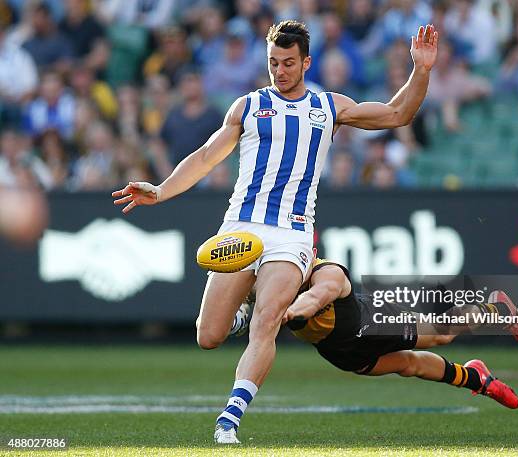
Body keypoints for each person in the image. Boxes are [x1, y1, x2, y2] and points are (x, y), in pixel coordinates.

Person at [112, 20, 438, 444]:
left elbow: (398, 113)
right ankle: (239, 312)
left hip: (292, 235)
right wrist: (161, 189)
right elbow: (208, 156)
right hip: (241, 229)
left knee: (267, 322)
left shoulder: (327, 105)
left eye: (288, 63)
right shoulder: (246, 107)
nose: (279, 71)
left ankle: (229, 419)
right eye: (272, 63)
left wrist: (422, 69)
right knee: (208, 335)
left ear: (306, 62)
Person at [279, 257, 518, 409]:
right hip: (340, 352)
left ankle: (500, 308)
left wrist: (287, 312)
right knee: (409, 366)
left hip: (373, 321)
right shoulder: (271, 281)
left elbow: (313, 299)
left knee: (441, 334)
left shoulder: (327, 272)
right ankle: (477, 379)